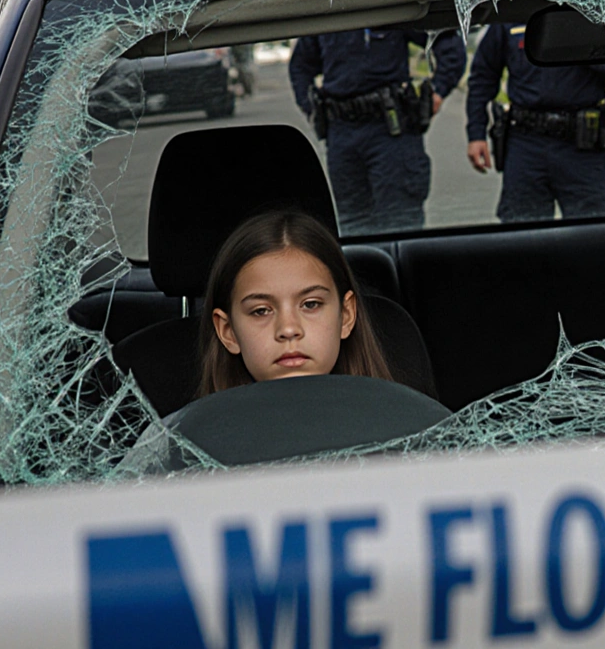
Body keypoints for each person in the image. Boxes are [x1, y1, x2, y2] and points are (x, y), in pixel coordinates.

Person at [198, 210, 393, 398]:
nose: (289, 329)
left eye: (310, 304)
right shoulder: (199, 422)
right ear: (228, 331)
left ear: (346, 315)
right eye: (261, 311)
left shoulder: (397, 416)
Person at [289, 28, 466, 234]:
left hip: (391, 131)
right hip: (342, 133)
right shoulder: (329, 17)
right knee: (353, 227)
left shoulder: (390, 9)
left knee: (400, 224)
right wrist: (312, 108)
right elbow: (300, 66)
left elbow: (448, 44)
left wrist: (438, 90)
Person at [464, 23, 605, 221]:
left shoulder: (596, 16)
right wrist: (476, 134)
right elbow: (483, 77)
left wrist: (587, 47)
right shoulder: (513, 16)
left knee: (595, 229)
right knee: (521, 229)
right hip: (526, 144)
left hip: (581, 149)